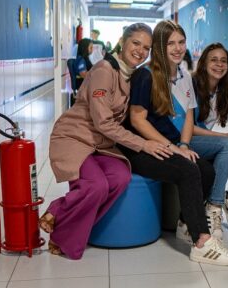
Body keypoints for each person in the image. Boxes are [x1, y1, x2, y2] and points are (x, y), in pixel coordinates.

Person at [123, 20, 228, 266]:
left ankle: (184, 224)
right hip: (142, 148)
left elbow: (188, 116)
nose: (177, 48)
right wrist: (173, 147)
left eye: (181, 42)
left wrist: (185, 146)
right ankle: (202, 242)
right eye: (170, 44)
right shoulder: (145, 75)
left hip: (172, 144)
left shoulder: (185, 76)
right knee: (188, 169)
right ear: (159, 47)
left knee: (205, 169)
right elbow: (137, 120)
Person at [39, 23, 154, 259]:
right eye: (136, 43)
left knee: (120, 178)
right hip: (75, 137)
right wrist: (144, 144)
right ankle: (62, 229)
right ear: (122, 42)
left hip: (100, 145)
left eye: (146, 48)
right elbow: (103, 122)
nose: (140, 51)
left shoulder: (130, 76)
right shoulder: (104, 70)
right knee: (95, 186)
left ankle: (61, 220)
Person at [190, 43, 228, 232]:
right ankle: (214, 206)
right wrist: (222, 137)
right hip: (183, 140)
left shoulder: (222, 90)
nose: (219, 65)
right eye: (214, 60)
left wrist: (225, 137)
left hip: (202, 138)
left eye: (223, 61)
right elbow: (188, 128)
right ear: (203, 63)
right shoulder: (192, 85)